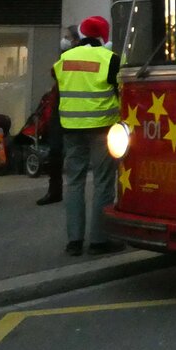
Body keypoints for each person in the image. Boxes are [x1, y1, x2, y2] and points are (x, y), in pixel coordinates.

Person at [54, 15, 124, 256]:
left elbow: (57, 81)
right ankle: (99, 241)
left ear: (82, 34)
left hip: (71, 128)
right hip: (102, 128)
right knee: (103, 182)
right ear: (105, 36)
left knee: (74, 182)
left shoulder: (64, 58)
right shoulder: (111, 59)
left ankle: (74, 241)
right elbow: (121, 90)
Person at [37, 24, 78, 206]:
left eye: (67, 37)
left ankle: (56, 190)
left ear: (76, 40)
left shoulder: (69, 58)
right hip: (63, 109)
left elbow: (55, 72)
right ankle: (56, 190)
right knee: (58, 152)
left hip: (65, 110)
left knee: (60, 152)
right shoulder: (67, 57)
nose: (64, 40)